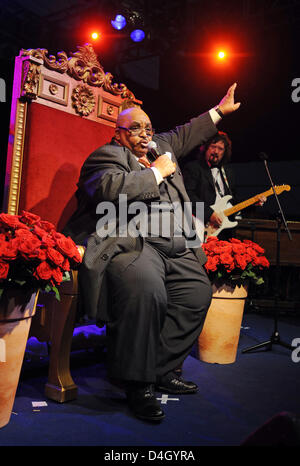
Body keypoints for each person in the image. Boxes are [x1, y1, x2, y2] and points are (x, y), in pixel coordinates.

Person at [63, 83, 240, 422]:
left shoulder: (163, 146)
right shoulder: (107, 156)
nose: (144, 134)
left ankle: (157, 368)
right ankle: (138, 383)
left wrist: (219, 111)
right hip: (135, 241)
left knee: (197, 293)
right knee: (147, 288)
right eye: (135, 128)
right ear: (118, 134)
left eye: (148, 127)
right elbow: (108, 189)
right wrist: (156, 172)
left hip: (178, 243)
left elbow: (187, 131)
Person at [182, 131, 266, 240]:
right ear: (206, 148)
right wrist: (209, 214)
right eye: (213, 147)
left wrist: (253, 202)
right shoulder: (193, 168)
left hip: (224, 229)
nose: (216, 151)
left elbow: (233, 202)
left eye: (220, 149)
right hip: (200, 225)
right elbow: (188, 196)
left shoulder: (228, 172)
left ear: (224, 152)